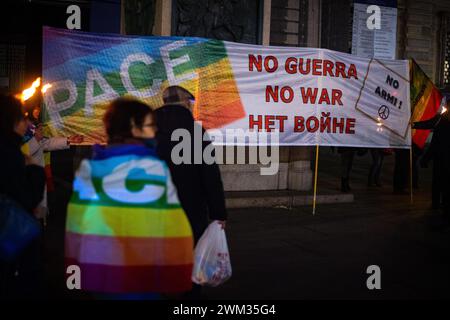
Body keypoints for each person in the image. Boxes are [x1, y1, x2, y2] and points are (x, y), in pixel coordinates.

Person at [64, 98, 194, 298]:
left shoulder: (90, 170)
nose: (155, 131)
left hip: (102, 271)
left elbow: (76, 227)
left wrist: (75, 277)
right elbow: (172, 225)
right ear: (135, 128)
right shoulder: (156, 170)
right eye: (150, 126)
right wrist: (176, 275)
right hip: (144, 272)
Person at [155, 86, 227, 299]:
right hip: (191, 213)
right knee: (191, 266)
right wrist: (219, 213)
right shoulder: (195, 132)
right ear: (185, 103)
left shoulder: (146, 131)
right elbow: (211, 177)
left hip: (156, 212)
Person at [0, 95, 46, 299]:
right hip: (12, 244)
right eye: (23, 118)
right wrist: (34, 170)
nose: (27, 122)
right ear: (11, 121)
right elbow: (27, 198)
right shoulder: (10, 154)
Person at [413, 107, 450, 213]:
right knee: (440, 181)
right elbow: (428, 125)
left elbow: (434, 142)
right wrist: (414, 125)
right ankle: (438, 204)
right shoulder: (440, 119)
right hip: (440, 157)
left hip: (441, 156)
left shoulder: (440, 119)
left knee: (440, 182)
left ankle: (439, 204)